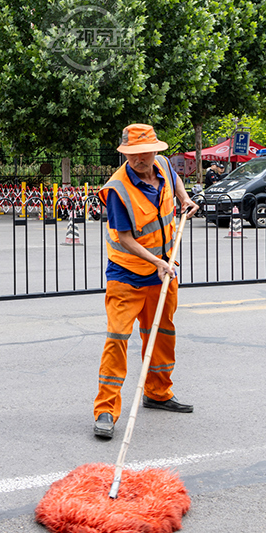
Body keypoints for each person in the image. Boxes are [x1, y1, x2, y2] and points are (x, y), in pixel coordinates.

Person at [93, 124, 199, 441]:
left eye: (145, 153)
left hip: (161, 274)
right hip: (127, 276)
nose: (140, 160)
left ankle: (158, 393)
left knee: (162, 333)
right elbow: (124, 238)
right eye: (133, 155)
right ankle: (106, 410)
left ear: (155, 151)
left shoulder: (163, 165)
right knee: (117, 340)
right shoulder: (117, 190)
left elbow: (177, 183)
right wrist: (156, 261)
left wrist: (185, 199)